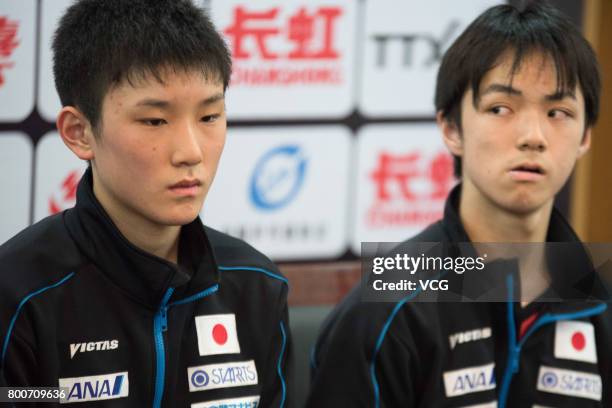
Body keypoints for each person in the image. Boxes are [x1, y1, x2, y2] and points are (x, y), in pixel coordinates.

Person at [307, 2, 611, 407]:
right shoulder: (387, 306)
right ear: (451, 128)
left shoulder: (601, 301)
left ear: (585, 136)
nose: (533, 135)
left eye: (558, 112)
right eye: (501, 108)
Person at [0, 1, 291, 406]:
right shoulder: (18, 296)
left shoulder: (257, 286)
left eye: (209, 117)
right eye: (155, 121)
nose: (190, 152)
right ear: (80, 132)